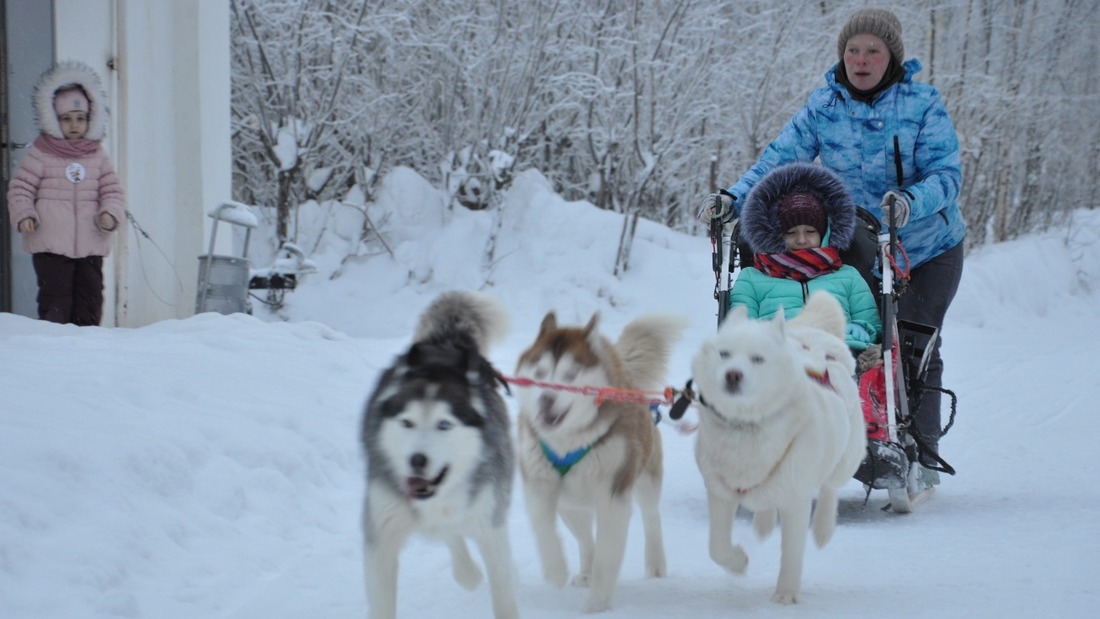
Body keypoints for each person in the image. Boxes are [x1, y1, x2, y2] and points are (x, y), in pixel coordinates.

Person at [700, 8, 964, 471]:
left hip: (925, 244)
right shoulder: (824, 106)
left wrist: (908, 202)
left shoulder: (922, 104)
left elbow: (946, 175)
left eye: (873, 51)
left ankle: (921, 451)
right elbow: (776, 162)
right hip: (859, 241)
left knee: (911, 345)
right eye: (853, 50)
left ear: (891, 57)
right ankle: (847, 429)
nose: (861, 60)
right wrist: (732, 199)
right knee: (862, 335)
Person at [7, 60, 125, 326]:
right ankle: (55, 353)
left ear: (90, 119)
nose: (74, 125)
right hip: (50, 243)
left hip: (90, 244)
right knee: (56, 302)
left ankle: (86, 351)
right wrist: (25, 213)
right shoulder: (40, 153)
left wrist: (109, 213)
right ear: (54, 120)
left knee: (90, 299)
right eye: (66, 119)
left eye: (80, 118)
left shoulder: (98, 156)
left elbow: (113, 191)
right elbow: (20, 189)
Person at [730, 162, 881, 353]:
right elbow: (738, 330)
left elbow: (872, 325)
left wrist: (861, 328)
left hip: (840, 354)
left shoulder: (849, 276)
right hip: (775, 357)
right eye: (791, 232)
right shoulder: (751, 278)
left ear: (824, 233)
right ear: (778, 235)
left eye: (810, 231)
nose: (801, 239)